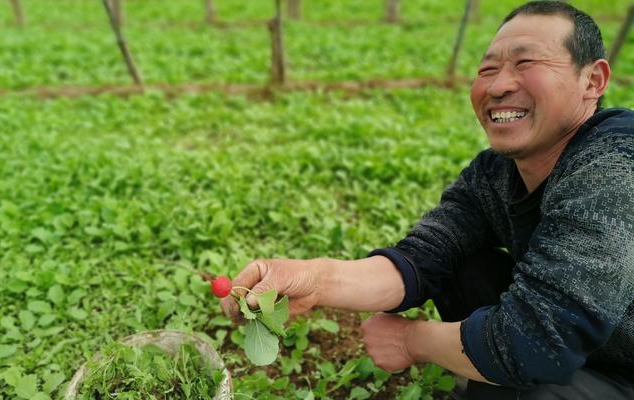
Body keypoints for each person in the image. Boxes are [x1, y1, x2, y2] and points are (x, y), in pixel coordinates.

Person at [221, 2, 634, 399]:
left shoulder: (616, 167)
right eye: (487, 69)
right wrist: (314, 279)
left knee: (533, 381)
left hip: (621, 367)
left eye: (526, 64)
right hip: (586, 347)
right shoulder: (494, 174)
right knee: (462, 264)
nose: (498, 85)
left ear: (593, 81)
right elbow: (422, 258)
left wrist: (409, 340)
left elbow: (537, 342)